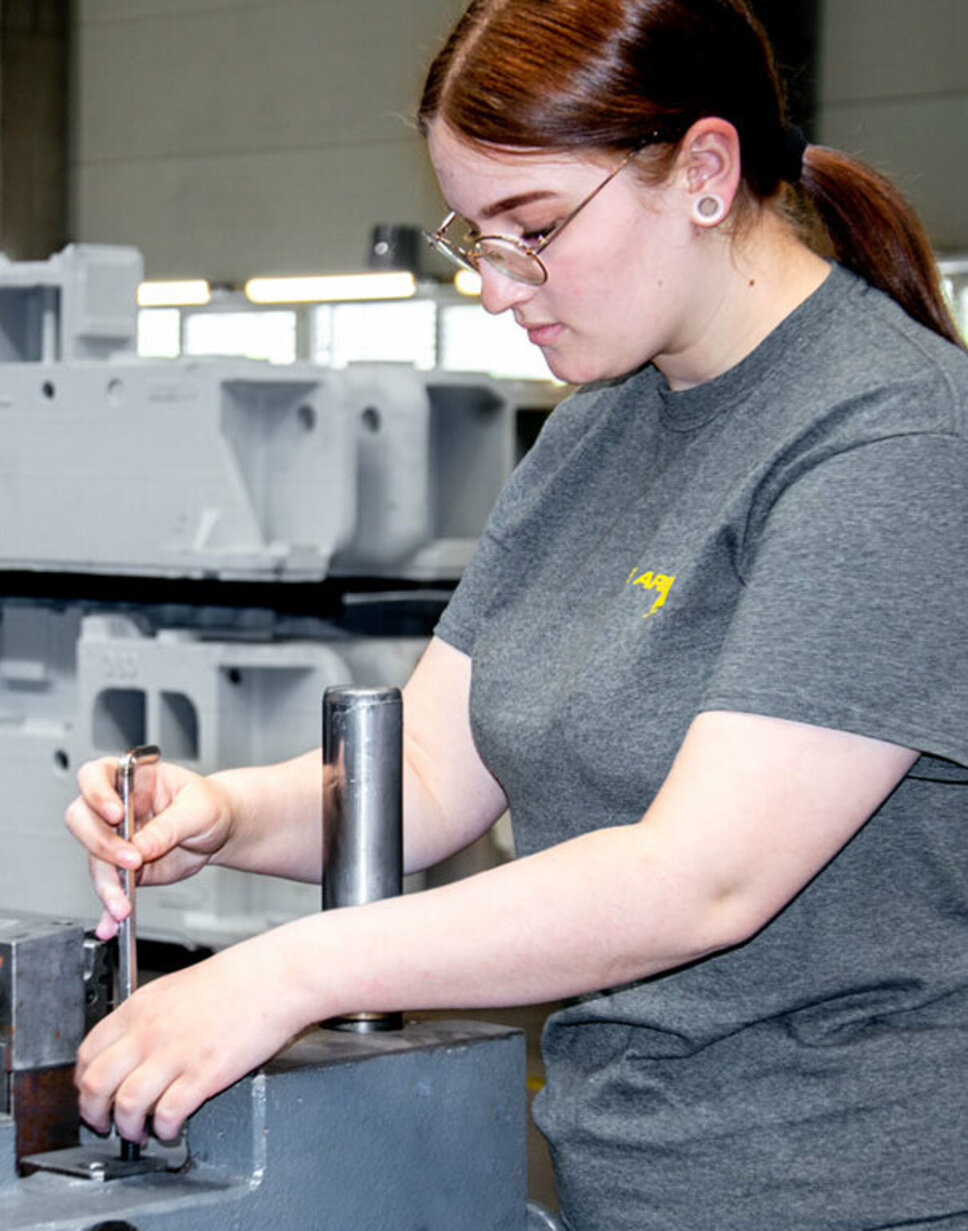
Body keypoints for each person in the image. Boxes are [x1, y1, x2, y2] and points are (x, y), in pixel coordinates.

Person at [66, 1, 968, 1228]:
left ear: (703, 171)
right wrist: (225, 812)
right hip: (625, 1178)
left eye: (532, 231)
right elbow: (436, 768)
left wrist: (286, 970)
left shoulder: (889, 440)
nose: (495, 290)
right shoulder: (598, 425)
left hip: (852, 1193)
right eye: (473, 237)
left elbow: (701, 876)